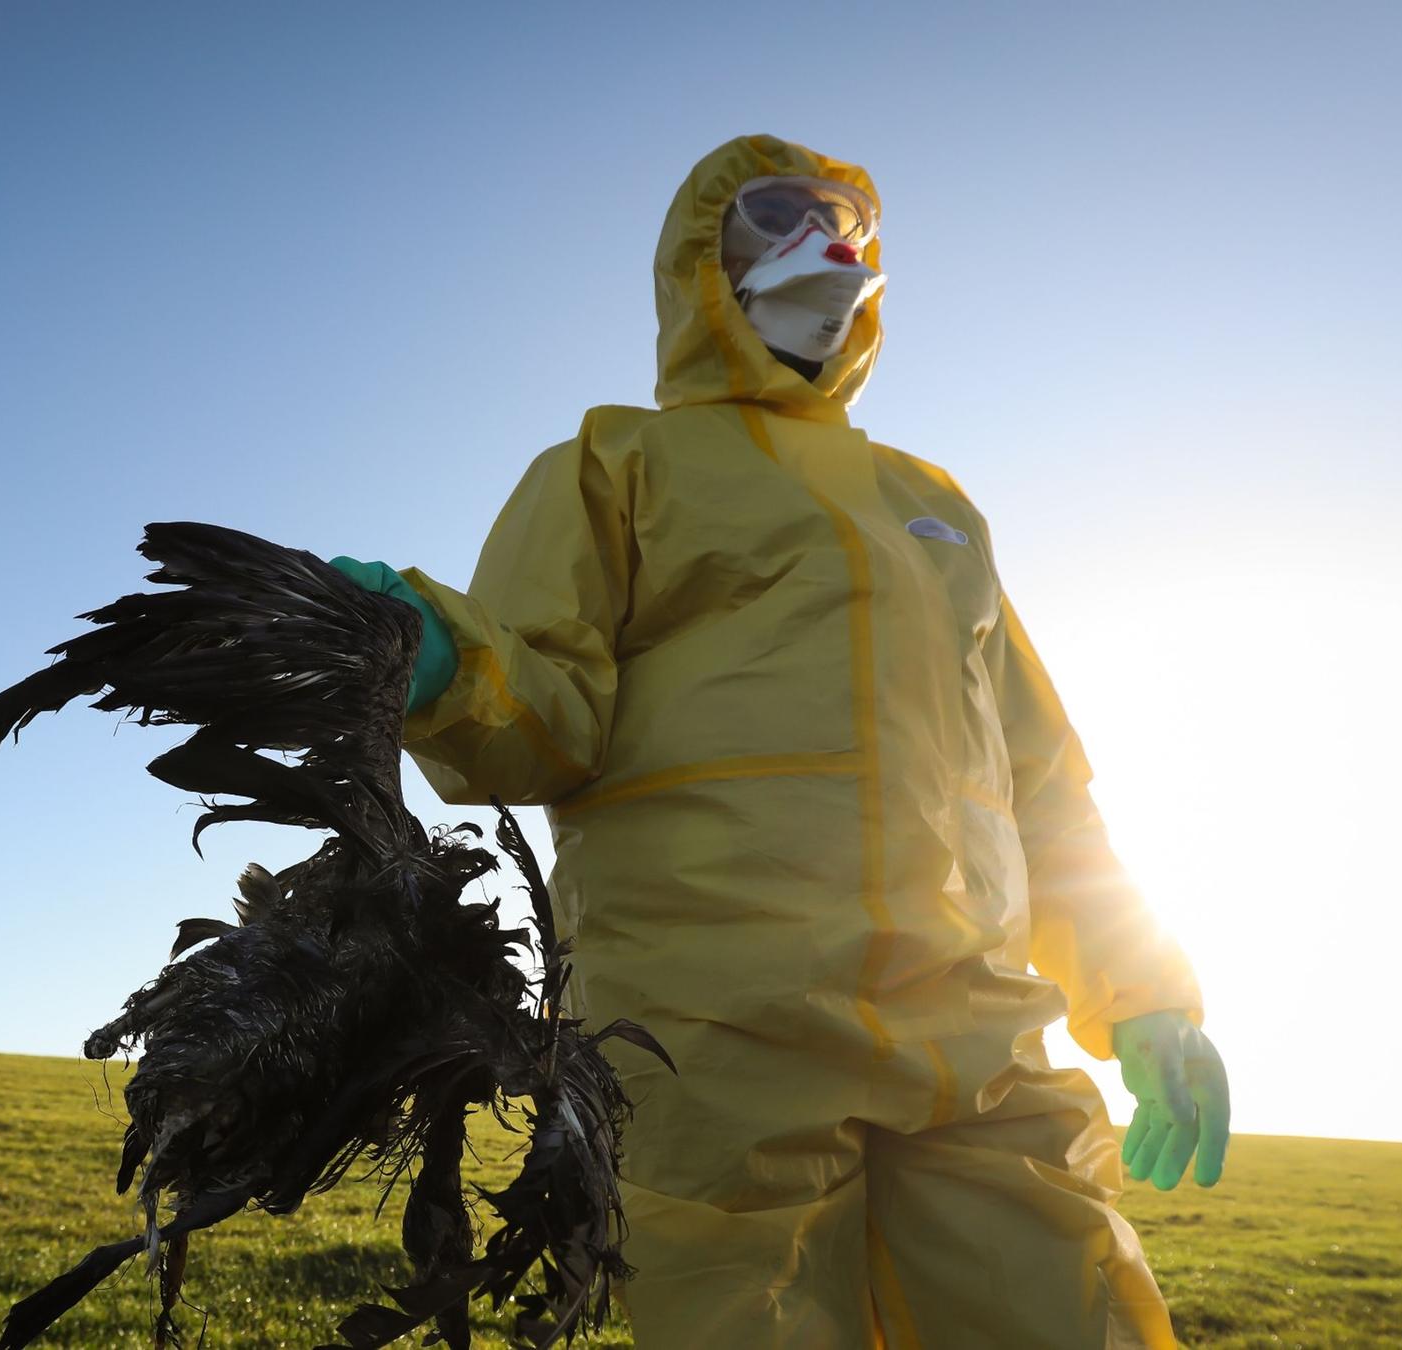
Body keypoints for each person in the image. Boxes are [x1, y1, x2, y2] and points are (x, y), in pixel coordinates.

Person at [331, 133, 1229, 1349]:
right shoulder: (614, 466)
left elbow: (1041, 779)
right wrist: (440, 660)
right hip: (711, 1037)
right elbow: (545, 707)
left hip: (974, 1028)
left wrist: (1145, 995)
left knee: (1074, 1316)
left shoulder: (935, 504)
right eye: (777, 215)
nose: (829, 242)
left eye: (850, 221)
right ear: (704, 264)